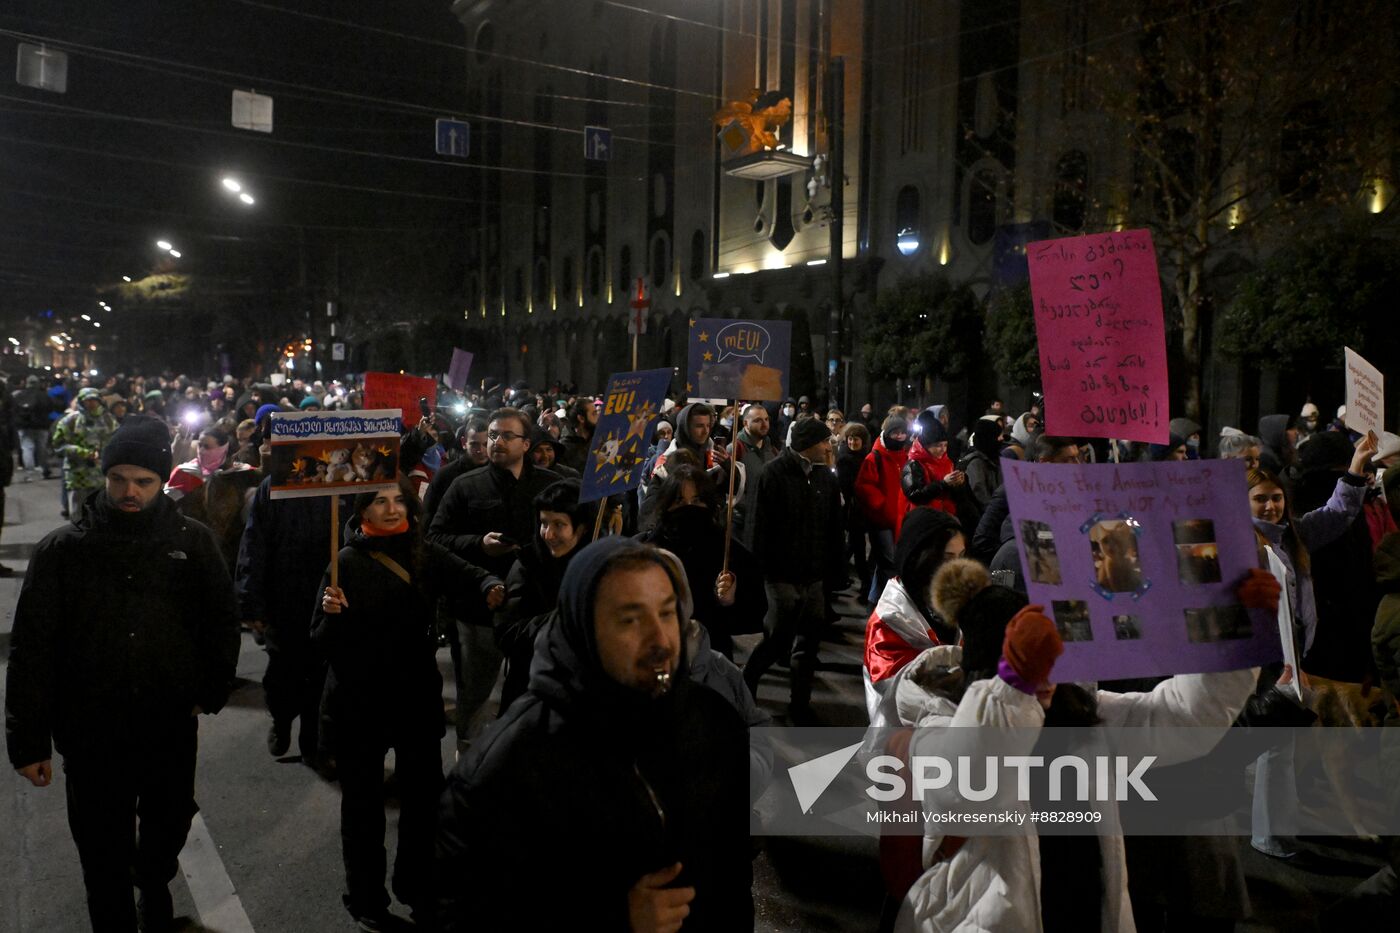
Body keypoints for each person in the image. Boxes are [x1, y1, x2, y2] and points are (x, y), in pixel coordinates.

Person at [890, 559, 1272, 931]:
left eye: (1049, 664)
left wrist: (1233, 629)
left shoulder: (1078, 717)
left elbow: (1178, 716)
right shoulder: (935, 730)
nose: (1046, 681)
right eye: (1028, 667)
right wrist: (1013, 689)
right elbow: (971, 779)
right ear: (987, 675)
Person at [435, 537, 753, 931]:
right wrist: (612, 918)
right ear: (582, 627)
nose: (660, 639)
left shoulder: (711, 715)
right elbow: (462, 917)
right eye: (630, 619)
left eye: (668, 613)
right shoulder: (503, 768)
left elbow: (744, 844)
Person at [5, 415, 240, 932]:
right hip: (90, 731)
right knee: (100, 852)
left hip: (167, 723)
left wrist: (210, 689)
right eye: (119, 480)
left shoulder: (192, 543)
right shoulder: (64, 550)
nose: (129, 492)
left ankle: (152, 880)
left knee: (168, 825)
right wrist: (28, 742)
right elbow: (32, 648)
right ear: (104, 477)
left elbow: (221, 622)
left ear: (160, 482)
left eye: (143, 482)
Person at [315, 477, 504, 931]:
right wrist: (332, 614)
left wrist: (492, 585)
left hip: (416, 699)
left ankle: (417, 887)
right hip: (360, 703)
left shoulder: (423, 553)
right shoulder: (344, 563)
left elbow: (472, 574)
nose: (392, 508)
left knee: (423, 803)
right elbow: (320, 641)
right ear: (361, 510)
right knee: (363, 810)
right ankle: (366, 898)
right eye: (380, 501)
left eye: (399, 500)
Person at [428, 407, 560, 745]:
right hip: (478, 608)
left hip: (534, 609)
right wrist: (479, 545)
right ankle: (469, 759)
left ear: (526, 444)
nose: (497, 442)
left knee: (530, 691)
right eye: (493, 435)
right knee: (475, 694)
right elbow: (435, 538)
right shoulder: (464, 485)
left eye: (506, 436)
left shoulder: (551, 485)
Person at [236, 471, 340, 768]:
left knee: (320, 676)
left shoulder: (346, 482)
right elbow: (254, 542)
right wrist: (250, 601)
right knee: (282, 675)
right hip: (284, 600)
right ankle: (281, 718)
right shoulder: (275, 485)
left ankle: (313, 745)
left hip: (328, 599)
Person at [744, 417, 845, 720]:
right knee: (778, 639)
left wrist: (835, 571)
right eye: (825, 441)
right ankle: (745, 687)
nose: (830, 446)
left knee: (809, 642)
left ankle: (799, 705)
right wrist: (758, 573)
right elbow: (757, 527)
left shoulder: (826, 476)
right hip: (781, 576)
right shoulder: (772, 474)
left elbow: (833, 526)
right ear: (808, 445)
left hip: (814, 575)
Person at [638, 465, 764, 659]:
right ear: (667, 504)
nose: (689, 508)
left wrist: (729, 601)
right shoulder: (646, 550)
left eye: (696, 500)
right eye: (680, 501)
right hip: (657, 651)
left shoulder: (727, 550)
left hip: (710, 654)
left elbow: (753, 613)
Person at [494, 479, 597, 712]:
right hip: (531, 694)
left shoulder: (600, 567)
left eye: (559, 524)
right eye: (543, 523)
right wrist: (561, 618)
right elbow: (507, 634)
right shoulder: (526, 565)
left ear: (582, 528)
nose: (548, 534)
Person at [862, 509, 965, 731]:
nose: (958, 568)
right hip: (902, 743)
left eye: (961, 556)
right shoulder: (889, 620)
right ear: (923, 558)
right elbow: (901, 694)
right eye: (948, 558)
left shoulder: (955, 604)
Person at [856, 415, 911, 602]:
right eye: (896, 432)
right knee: (889, 563)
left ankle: (875, 600)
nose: (901, 436)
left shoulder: (904, 456)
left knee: (884, 564)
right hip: (881, 520)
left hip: (899, 518)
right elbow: (864, 486)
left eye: (903, 432)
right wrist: (882, 505)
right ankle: (888, 602)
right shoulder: (875, 457)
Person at [51, 387, 119, 520]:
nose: (92, 403)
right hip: (78, 475)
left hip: (101, 475)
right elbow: (58, 445)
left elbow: (116, 442)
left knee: (101, 513)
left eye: (94, 400)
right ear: (81, 402)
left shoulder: (109, 420)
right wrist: (82, 453)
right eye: (88, 400)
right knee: (78, 514)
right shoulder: (70, 421)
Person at [900, 409, 965, 522]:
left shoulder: (947, 461)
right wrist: (944, 483)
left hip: (945, 516)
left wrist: (959, 483)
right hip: (923, 519)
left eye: (945, 445)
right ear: (926, 445)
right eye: (938, 445)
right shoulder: (914, 463)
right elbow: (915, 495)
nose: (942, 449)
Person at [732, 402, 779, 551]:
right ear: (746, 423)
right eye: (758, 420)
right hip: (741, 523)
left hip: (765, 523)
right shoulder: (736, 448)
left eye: (766, 419)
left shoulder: (771, 450)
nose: (764, 424)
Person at [837, 422, 874, 602]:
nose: (852, 442)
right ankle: (865, 588)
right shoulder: (845, 459)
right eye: (850, 438)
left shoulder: (865, 458)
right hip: (853, 512)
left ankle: (840, 577)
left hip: (860, 510)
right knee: (857, 549)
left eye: (856, 439)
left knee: (853, 547)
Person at [13, 373, 56, 481]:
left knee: (27, 448)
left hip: (24, 426)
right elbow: (51, 408)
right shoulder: (43, 395)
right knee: (41, 448)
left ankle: (29, 472)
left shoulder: (20, 395)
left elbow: (14, 409)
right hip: (42, 425)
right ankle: (42, 469)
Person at [957, 416, 1004, 511]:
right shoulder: (976, 463)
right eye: (997, 437)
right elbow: (980, 495)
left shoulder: (993, 459)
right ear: (988, 438)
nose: (1001, 440)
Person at [557, 396, 597, 473]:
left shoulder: (599, 439)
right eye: (594, 414)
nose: (598, 417)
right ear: (581, 418)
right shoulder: (565, 447)